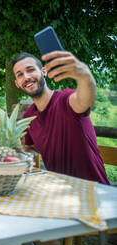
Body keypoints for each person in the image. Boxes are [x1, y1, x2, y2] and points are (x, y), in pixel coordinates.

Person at [11, 51, 110, 186]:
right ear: (17, 83)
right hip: (60, 192)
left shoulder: (66, 100)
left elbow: (86, 99)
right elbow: (33, 147)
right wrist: (14, 153)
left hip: (95, 191)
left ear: (43, 72)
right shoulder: (29, 116)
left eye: (30, 70)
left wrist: (85, 75)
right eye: (20, 74)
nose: (26, 77)